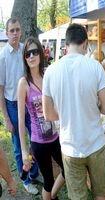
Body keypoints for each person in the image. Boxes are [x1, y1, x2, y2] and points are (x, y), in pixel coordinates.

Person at [42, 23, 105, 200]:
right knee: (101, 195)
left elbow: (48, 115)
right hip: (95, 143)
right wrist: (94, 106)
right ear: (84, 44)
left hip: (70, 146)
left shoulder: (51, 71)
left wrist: (67, 112)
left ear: (66, 45)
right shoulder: (95, 67)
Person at [17, 37, 65, 200]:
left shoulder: (48, 74)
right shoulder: (23, 83)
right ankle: (50, 195)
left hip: (56, 137)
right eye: (27, 54)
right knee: (48, 180)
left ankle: (51, 196)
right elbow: (21, 121)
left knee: (66, 170)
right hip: (39, 142)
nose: (31, 56)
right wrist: (24, 151)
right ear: (24, 58)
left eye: (34, 52)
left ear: (40, 53)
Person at [0, 18, 40, 195]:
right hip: (12, 105)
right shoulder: (2, 57)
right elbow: (0, 90)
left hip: (29, 102)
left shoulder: (26, 50)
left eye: (17, 30)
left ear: (21, 31)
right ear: (6, 33)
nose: (15, 33)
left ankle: (34, 172)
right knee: (18, 145)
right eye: (11, 31)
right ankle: (25, 179)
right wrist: (6, 118)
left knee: (36, 139)